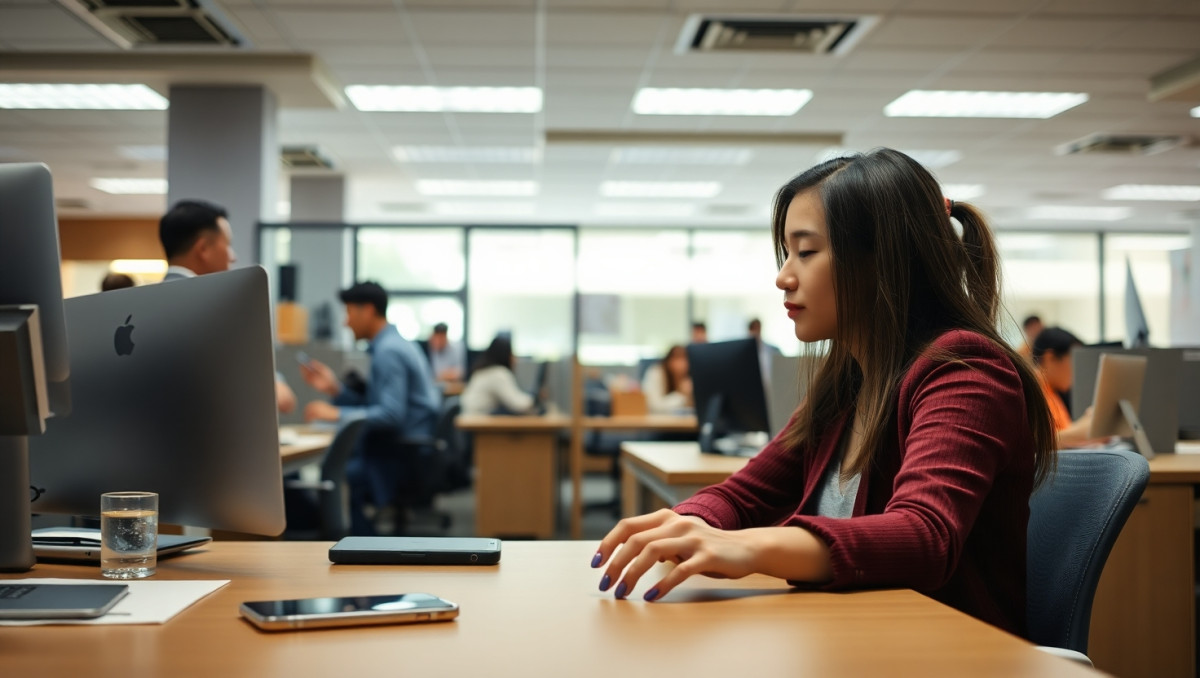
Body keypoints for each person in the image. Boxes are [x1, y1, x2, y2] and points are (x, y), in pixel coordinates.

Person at [590, 148, 1056, 639]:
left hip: (943, 651)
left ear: (881, 260)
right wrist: (683, 527)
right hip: (853, 640)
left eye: (806, 252)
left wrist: (750, 548)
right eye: (786, 253)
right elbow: (745, 496)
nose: (784, 276)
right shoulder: (851, 382)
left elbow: (924, 537)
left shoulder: (966, 369)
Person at [157, 198, 295, 414]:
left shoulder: (137, 310)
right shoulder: (218, 311)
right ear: (203, 248)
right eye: (228, 245)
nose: (233, 256)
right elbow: (282, 399)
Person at [1032, 326, 1096, 448]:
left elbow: (1060, 433)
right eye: (1074, 361)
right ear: (1050, 358)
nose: (1078, 370)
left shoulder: (1052, 391)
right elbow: (1038, 444)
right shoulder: (1030, 392)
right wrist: (1084, 430)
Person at [158, 200, 237, 281]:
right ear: (204, 248)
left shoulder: (150, 293)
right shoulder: (208, 293)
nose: (233, 258)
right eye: (228, 245)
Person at [460, 335, 535, 416]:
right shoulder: (498, 373)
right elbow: (518, 404)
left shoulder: (484, 370)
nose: (514, 358)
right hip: (477, 422)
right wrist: (535, 399)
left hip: (471, 418)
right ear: (505, 354)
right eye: (512, 354)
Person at [641, 345, 692, 415]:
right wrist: (681, 395)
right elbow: (654, 406)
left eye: (685, 359)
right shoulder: (656, 373)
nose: (683, 364)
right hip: (658, 422)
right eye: (678, 358)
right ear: (668, 360)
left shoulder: (689, 377)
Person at [748, 317, 783, 384]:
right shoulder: (744, 353)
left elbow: (782, 368)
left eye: (757, 328)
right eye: (753, 329)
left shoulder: (774, 350)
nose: (755, 332)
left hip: (772, 385)